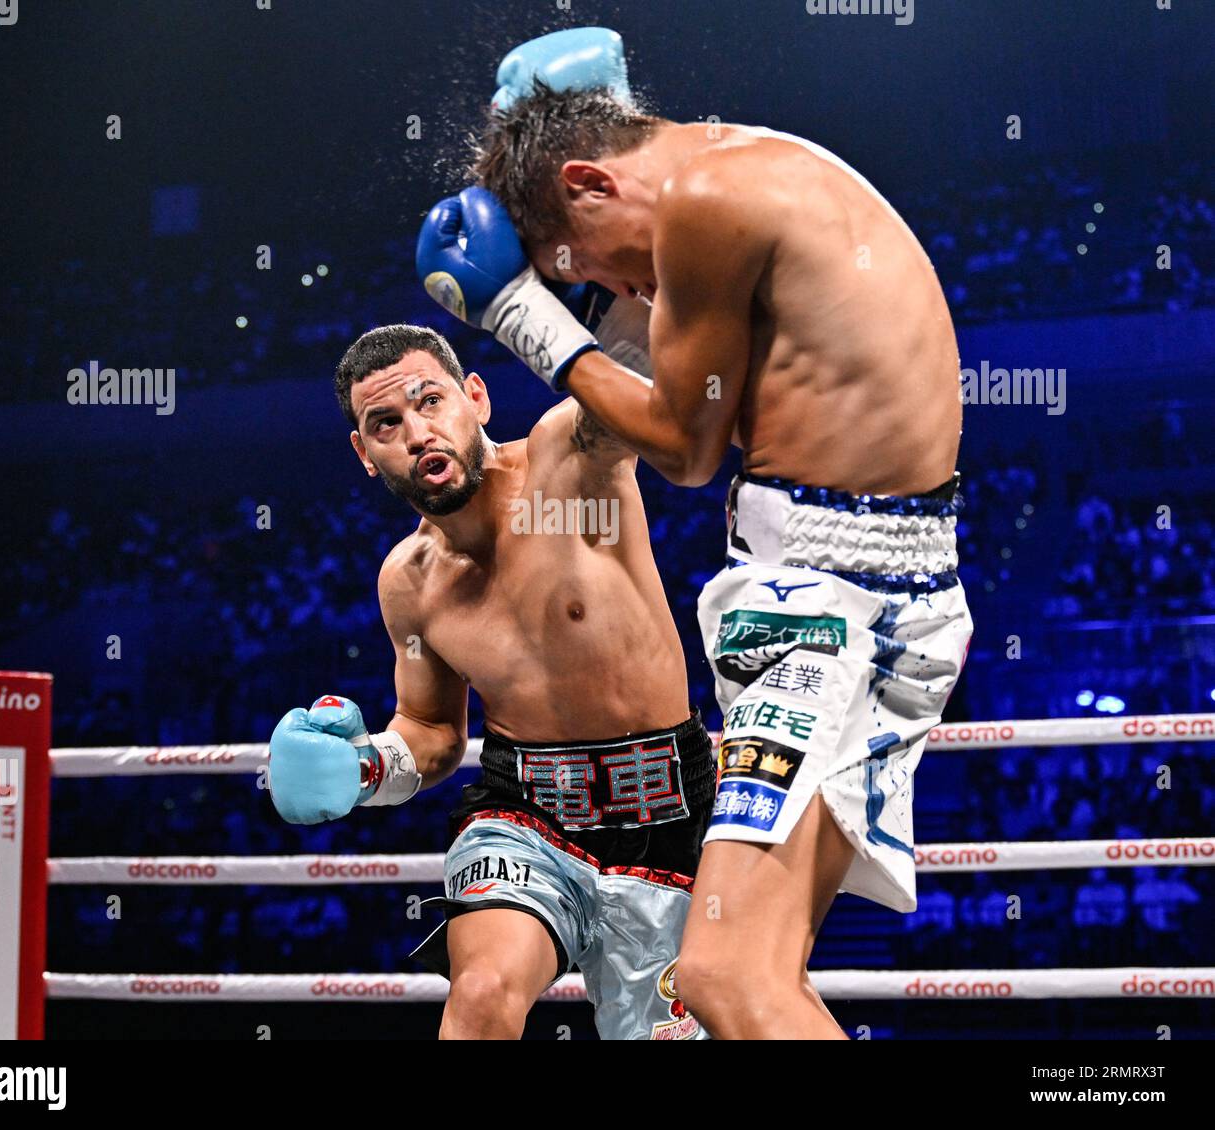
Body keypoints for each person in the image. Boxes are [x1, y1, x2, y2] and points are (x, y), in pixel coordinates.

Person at [416, 54, 973, 1038]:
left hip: (831, 612)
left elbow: (683, 443)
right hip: (853, 595)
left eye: (580, 264)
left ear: (589, 183)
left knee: (723, 976)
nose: (607, 287)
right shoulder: (742, 166)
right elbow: (661, 364)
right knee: (738, 971)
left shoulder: (706, 201)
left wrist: (517, 311)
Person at [267, 324, 713, 1040]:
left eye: (431, 401)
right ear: (365, 453)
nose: (416, 433)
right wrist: (367, 766)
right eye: (387, 423)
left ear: (474, 397)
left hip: (666, 807)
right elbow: (433, 731)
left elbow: (652, 365)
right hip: (526, 809)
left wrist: (527, 304)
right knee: (479, 995)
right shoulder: (407, 582)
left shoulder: (567, 464)